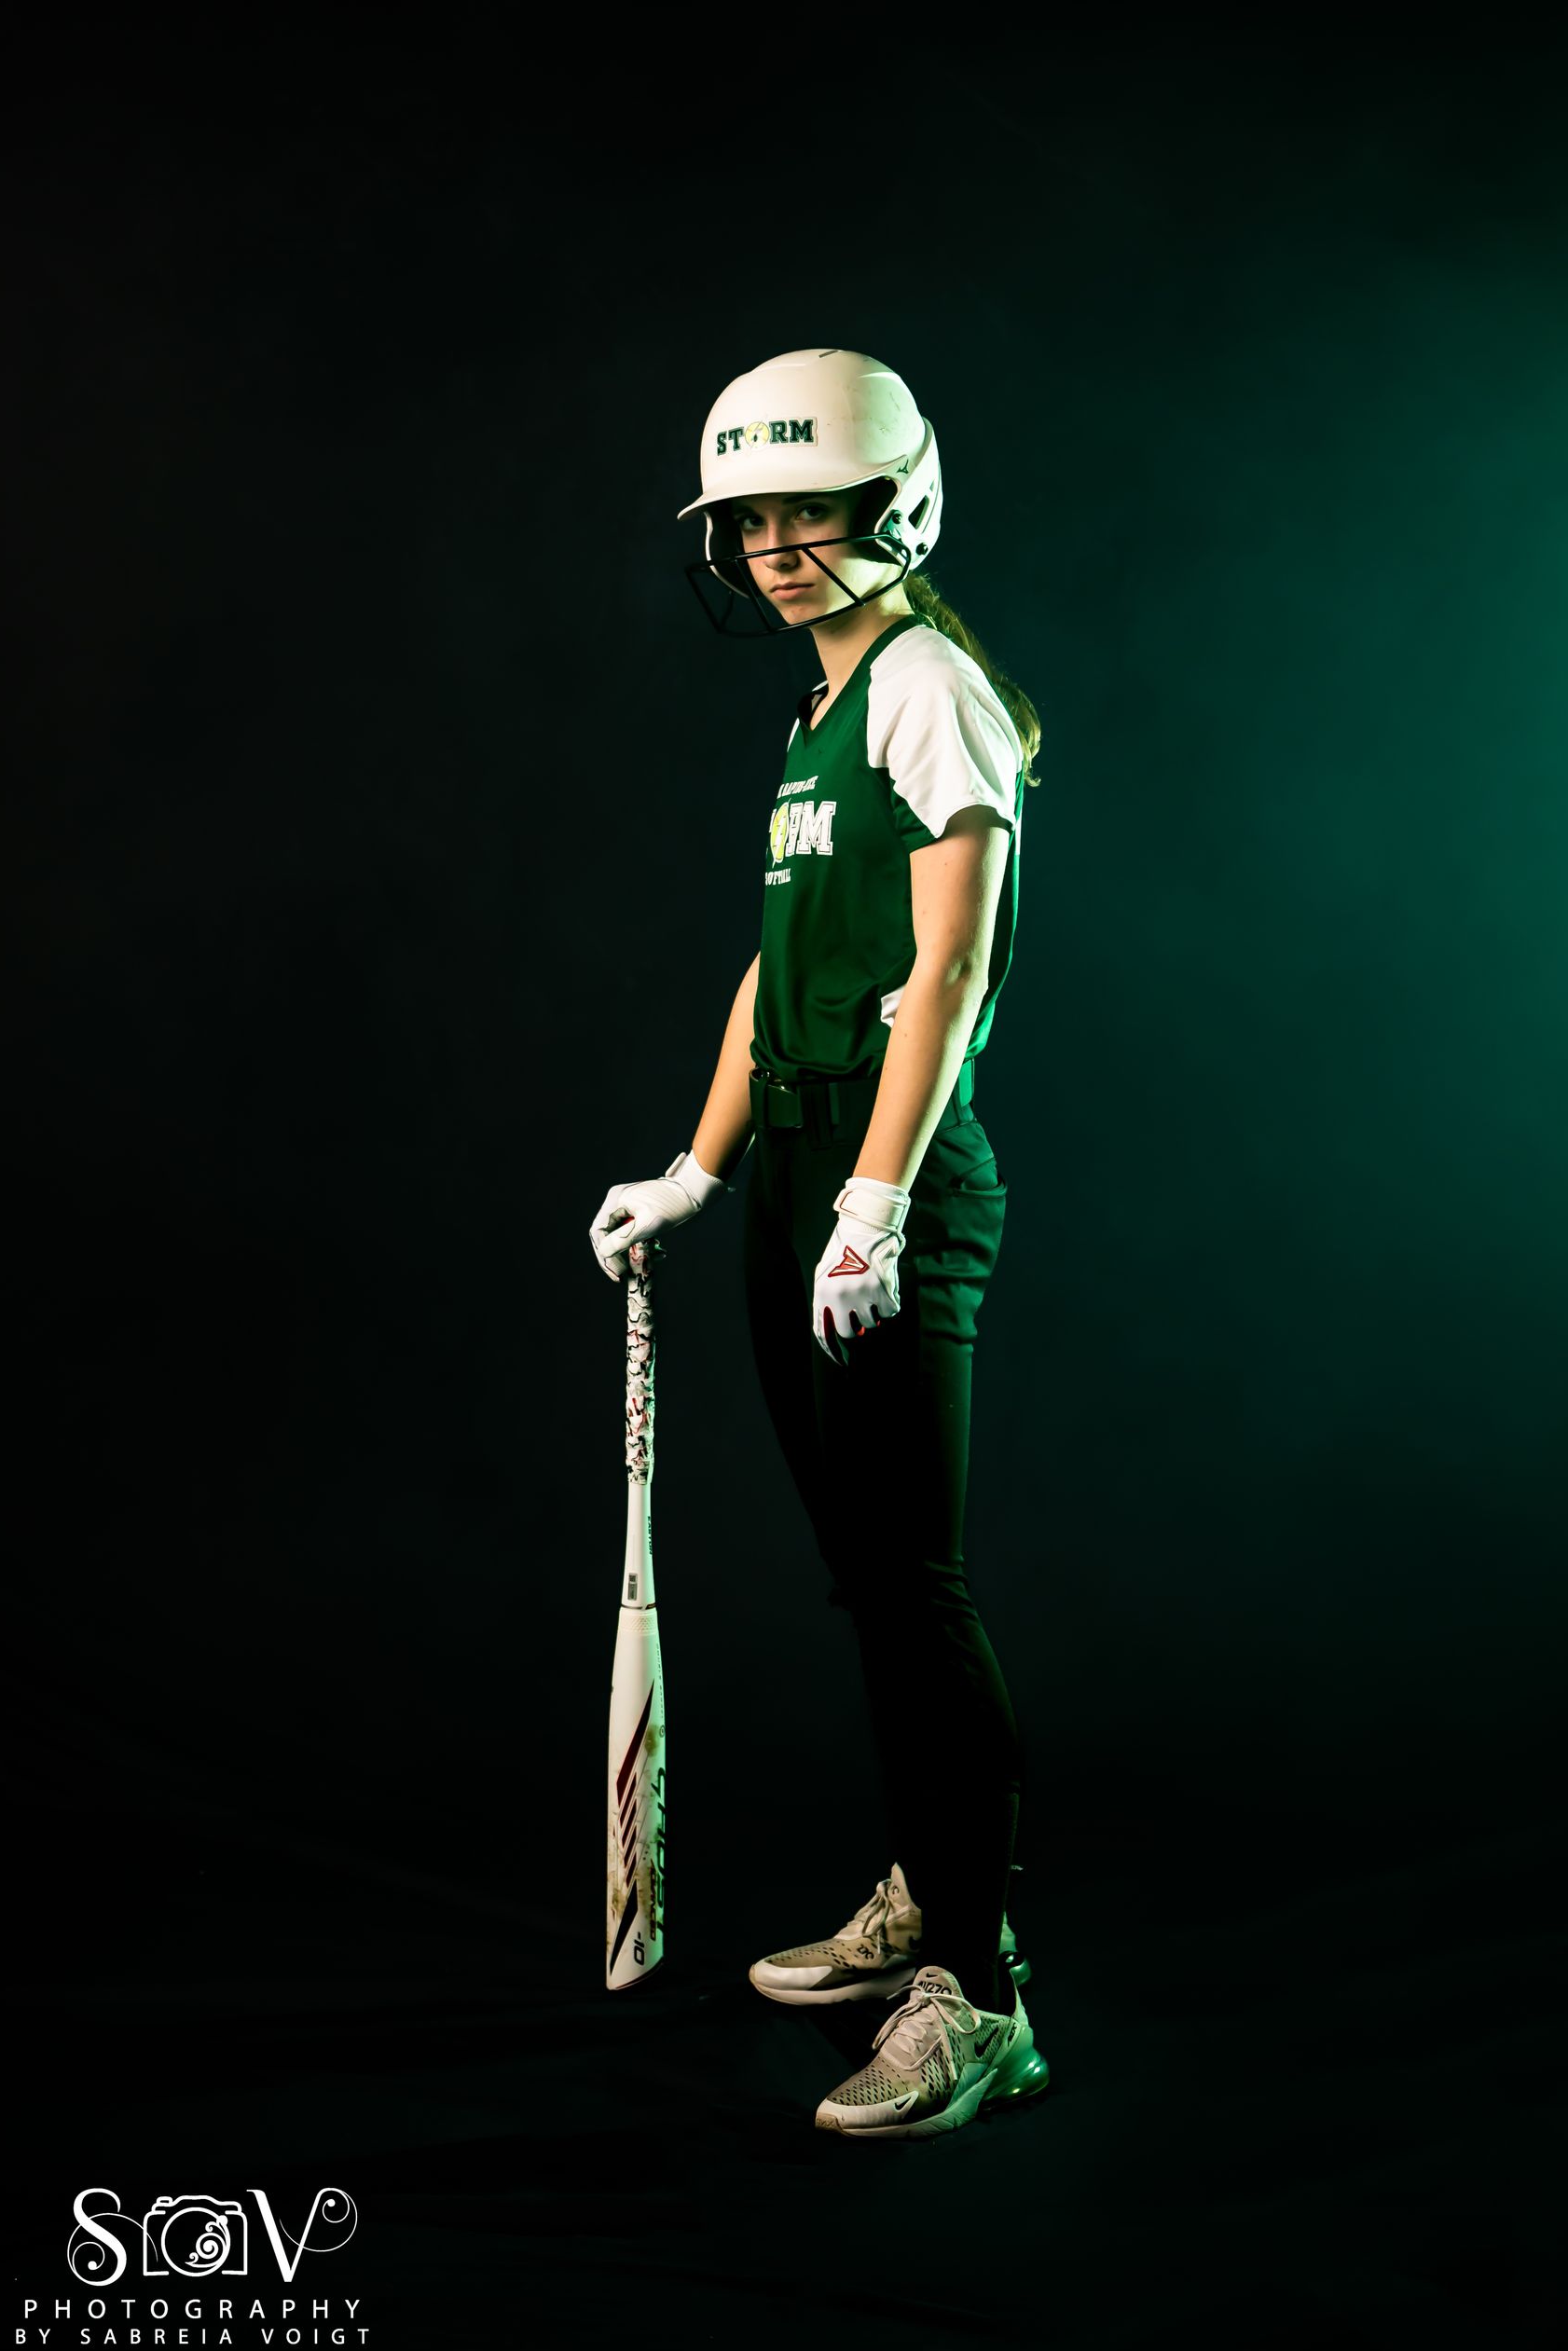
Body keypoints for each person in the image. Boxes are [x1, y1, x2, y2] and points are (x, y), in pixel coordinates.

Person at [589, 350, 1048, 2139]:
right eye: (753, 519)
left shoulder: (931, 686)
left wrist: (874, 1195)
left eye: (813, 510)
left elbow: (947, 971)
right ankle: (927, 1890)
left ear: (894, 505)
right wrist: (702, 1173)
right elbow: (772, 979)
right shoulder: (817, 716)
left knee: (913, 1585)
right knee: (868, 1578)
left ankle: (985, 1992)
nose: (780, 545)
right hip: (802, 1179)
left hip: (893, 1183)